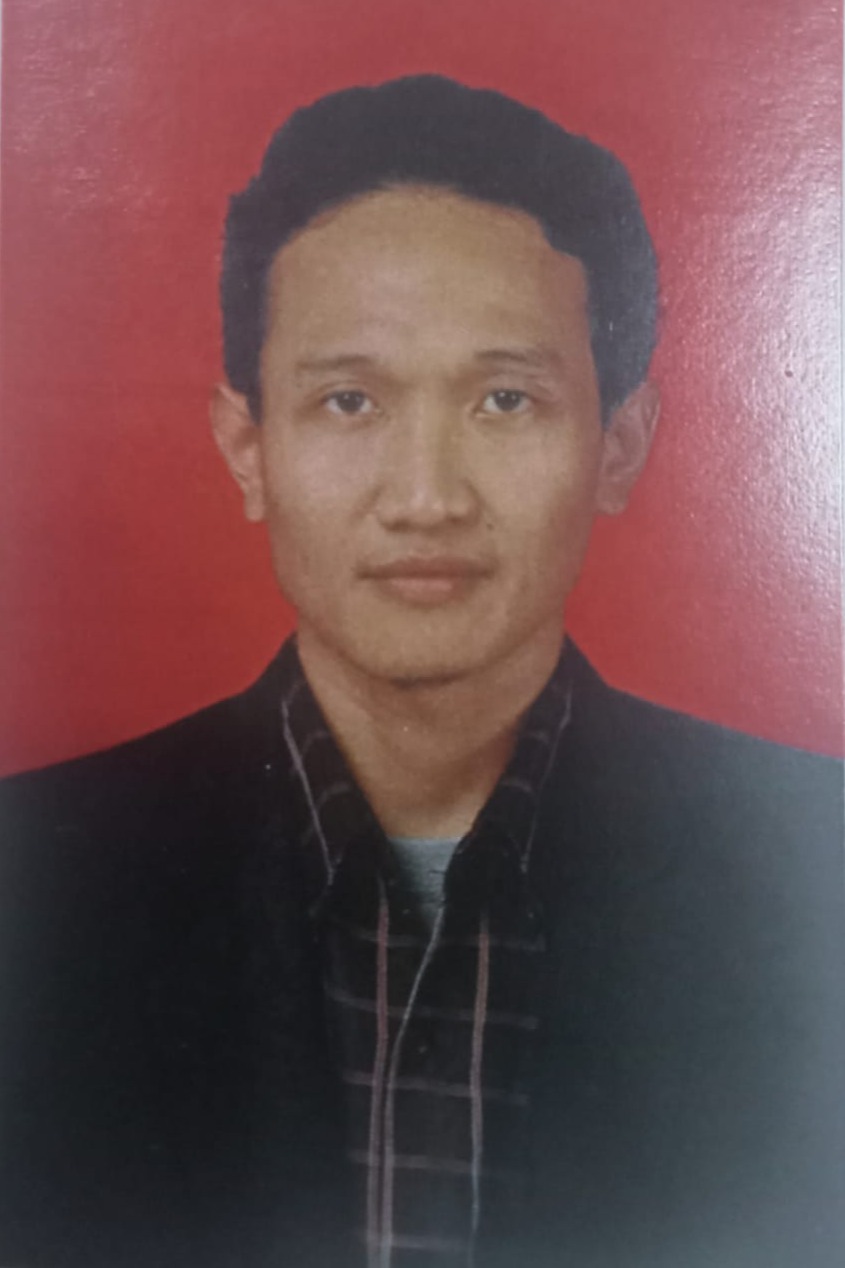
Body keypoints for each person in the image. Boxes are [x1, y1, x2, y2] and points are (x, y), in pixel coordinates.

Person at [1, 75, 842, 1268]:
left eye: (504, 399)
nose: (425, 497)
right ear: (248, 451)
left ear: (617, 445)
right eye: (349, 400)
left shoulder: (820, 869)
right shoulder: (32, 881)